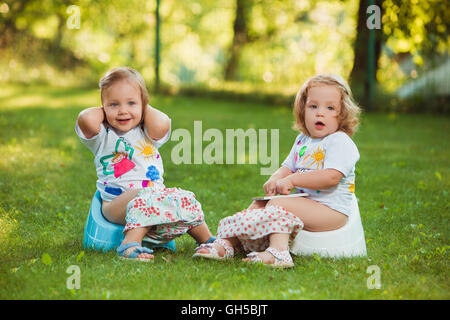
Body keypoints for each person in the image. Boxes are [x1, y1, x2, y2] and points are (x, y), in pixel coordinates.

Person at [193, 74, 361, 268]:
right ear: (302, 109)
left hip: (331, 212)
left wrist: (293, 181)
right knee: (259, 203)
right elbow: (287, 168)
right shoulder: (303, 141)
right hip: (307, 204)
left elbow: (331, 176)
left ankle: (279, 252)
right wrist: (276, 178)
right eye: (313, 106)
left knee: (279, 204)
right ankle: (229, 244)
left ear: (342, 115)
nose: (320, 113)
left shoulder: (339, 141)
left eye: (330, 108)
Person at [76, 67, 214, 262]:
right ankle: (128, 245)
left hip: (155, 198)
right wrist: (105, 111)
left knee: (185, 198)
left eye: (131, 103)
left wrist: (143, 106)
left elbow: (163, 124)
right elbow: (86, 120)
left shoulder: (147, 132)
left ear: (143, 105)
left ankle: (208, 241)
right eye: (114, 104)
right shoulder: (102, 135)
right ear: (103, 107)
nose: (123, 111)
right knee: (144, 195)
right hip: (116, 206)